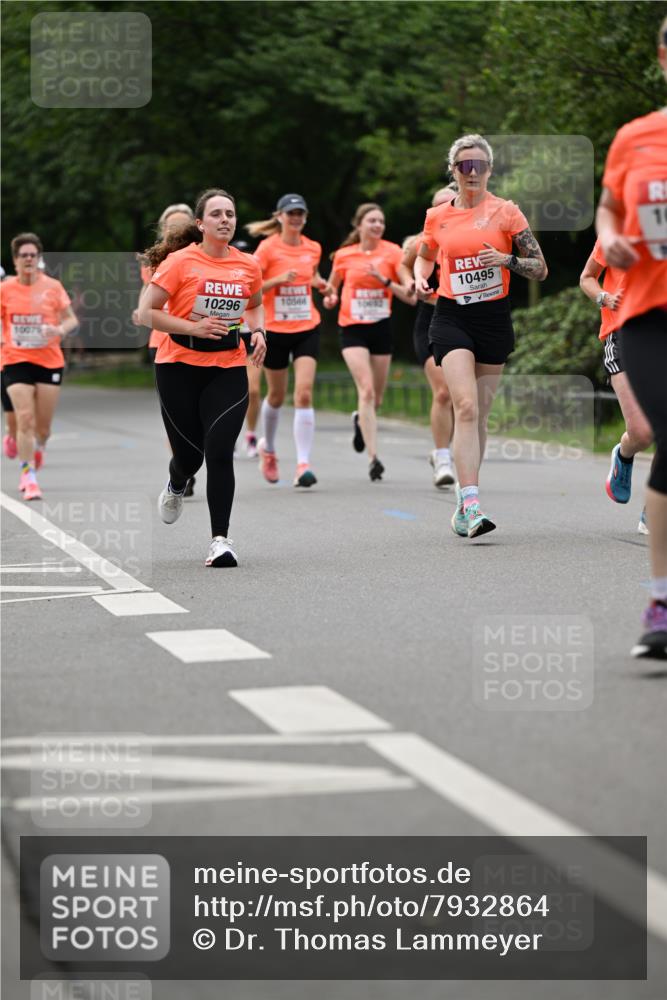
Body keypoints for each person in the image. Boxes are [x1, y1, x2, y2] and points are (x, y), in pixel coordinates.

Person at [415, 134, 548, 537]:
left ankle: (463, 498)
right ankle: (472, 502)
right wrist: (421, 278)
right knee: (466, 407)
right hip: (452, 316)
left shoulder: (507, 212)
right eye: (463, 166)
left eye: (479, 166)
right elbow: (424, 255)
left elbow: (540, 267)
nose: (472, 173)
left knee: (481, 416)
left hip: (493, 319)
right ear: (453, 171)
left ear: (490, 170)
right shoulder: (437, 215)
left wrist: (505, 258)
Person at [139, 188, 267, 567]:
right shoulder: (180, 262)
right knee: (189, 456)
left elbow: (256, 306)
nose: (225, 219)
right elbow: (147, 312)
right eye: (216, 214)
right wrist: (192, 328)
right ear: (200, 223)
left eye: (230, 213)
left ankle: (220, 541)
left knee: (220, 450)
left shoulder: (248, 265)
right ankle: (177, 481)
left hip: (228, 366)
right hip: (178, 365)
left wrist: (259, 333)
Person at [595, 17, 667, 658]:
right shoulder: (636, 137)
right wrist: (611, 235)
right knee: (657, 432)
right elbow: (610, 209)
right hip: (644, 314)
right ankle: (662, 603)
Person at [324, 203, 414, 481]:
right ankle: (374, 458)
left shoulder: (393, 252)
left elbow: (409, 297)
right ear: (359, 224)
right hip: (352, 329)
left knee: (376, 398)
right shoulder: (344, 255)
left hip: (381, 328)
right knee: (366, 390)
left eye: (381, 222)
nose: (377, 225)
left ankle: (359, 420)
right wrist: (330, 298)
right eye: (372, 221)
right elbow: (331, 289)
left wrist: (383, 280)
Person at [246, 194, 327, 487]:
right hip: (276, 329)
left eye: (300, 213)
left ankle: (303, 463)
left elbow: (312, 276)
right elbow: (250, 287)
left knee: (304, 393)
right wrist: (277, 280)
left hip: (307, 326)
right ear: (279, 216)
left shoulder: (313, 247)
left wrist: (324, 286)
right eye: (290, 213)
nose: (296, 218)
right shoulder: (267, 249)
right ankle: (268, 450)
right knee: (277, 395)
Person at [579, 240, 652, 532]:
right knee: (642, 433)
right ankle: (624, 453)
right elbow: (587, 278)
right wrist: (604, 298)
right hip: (622, 336)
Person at [0, 232, 78, 500]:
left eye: (33, 255)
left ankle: (38, 446)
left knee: (42, 428)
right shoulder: (6, 289)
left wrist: (57, 329)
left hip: (48, 360)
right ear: (15, 260)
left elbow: (71, 320)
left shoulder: (53, 287)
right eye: (24, 255)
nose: (29, 259)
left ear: (39, 258)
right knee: (25, 418)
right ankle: (28, 475)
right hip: (15, 358)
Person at [135, 204, 198, 494]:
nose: (177, 231)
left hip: (199, 343)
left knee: (200, 415)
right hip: (163, 344)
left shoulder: (205, 257)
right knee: (177, 415)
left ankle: (190, 458)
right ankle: (183, 467)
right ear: (163, 230)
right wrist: (140, 312)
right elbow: (145, 301)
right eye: (171, 226)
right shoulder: (154, 262)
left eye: (182, 225)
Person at [401, 184, 458, 489]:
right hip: (430, 319)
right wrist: (412, 282)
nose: (443, 211)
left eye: (449, 204)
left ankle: (444, 450)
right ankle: (443, 457)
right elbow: (404, 265)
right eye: (437, 206)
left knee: (460, 395)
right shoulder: (422, 242)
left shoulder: (470, 238)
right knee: (443, 392)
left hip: (463, 318)